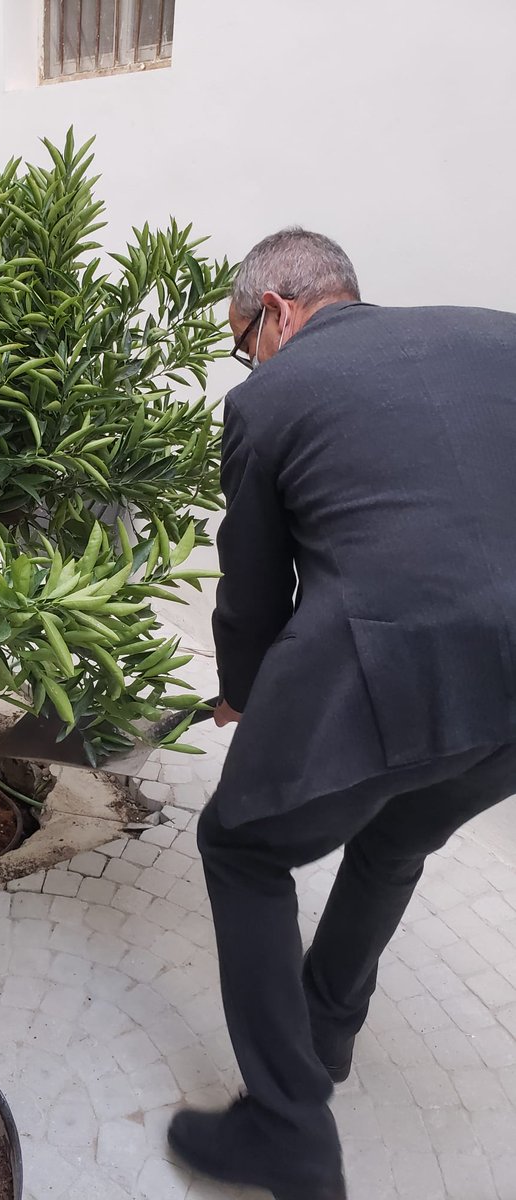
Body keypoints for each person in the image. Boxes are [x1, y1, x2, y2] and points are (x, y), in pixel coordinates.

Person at [166, 228, 516, 1200]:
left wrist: (242, 689)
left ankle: (289, 1133)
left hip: (392, 667)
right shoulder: (499, 338)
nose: (246, 359)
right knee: (398, 832)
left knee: (241, 845)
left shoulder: (270, 398)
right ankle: (323, 1036)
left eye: (243, 338)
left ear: (276, 309)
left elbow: (252, 591)